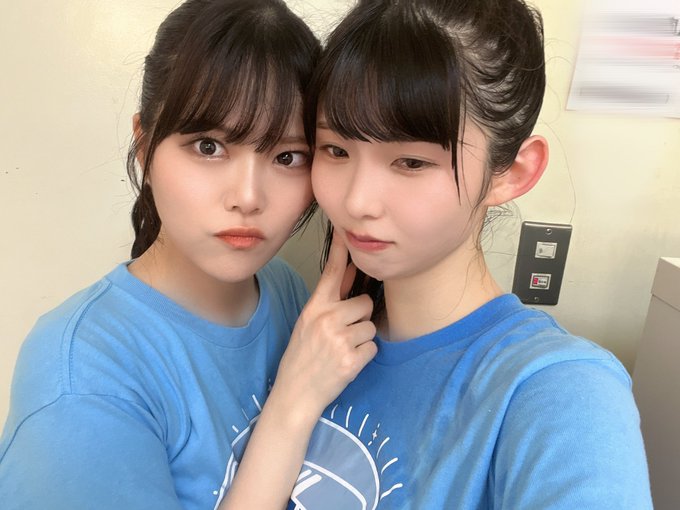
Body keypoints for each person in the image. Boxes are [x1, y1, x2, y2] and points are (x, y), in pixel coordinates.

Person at [0, 1, 377, 509]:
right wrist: (293, 402)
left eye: (287, 156)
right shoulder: (81, 376)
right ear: (145, 146)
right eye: (208, 147)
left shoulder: (284, 288)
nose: (248, 197)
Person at [295, 0, 654, 508]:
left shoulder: (562, 392)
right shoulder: (314, 340)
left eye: (411, 162)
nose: (355, 202)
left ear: (512, 173)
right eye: (336, 150)